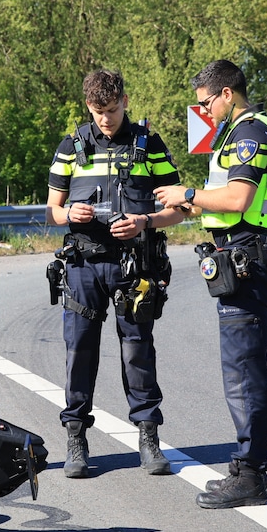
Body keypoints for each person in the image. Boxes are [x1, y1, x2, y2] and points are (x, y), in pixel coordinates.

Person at [154, 60, 267, 508]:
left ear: (227, 93)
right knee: (242, 368)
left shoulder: (252, 132)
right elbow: (220, 207)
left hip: (250, 257)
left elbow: (237, 199)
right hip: (241, 253)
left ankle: (251, 476)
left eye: (206, 102)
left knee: (244, 373)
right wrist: (153, 218)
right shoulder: (235, 133)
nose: (204, 111)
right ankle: (247, 465)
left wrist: (187, 193)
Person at [45, 69, 186, 478]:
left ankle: (148, 437)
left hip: (133, 266)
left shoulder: (149, 144)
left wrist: (145, 221)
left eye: (110, 109)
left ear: (125, 100)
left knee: (137, 349)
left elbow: (179, 209)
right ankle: (76, 437)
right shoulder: (71, 146)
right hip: (83, 266)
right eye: (96, 110)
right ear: (87, 106)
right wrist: (69, 212)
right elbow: (50, 211)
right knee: (79, 352)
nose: (104, 118)